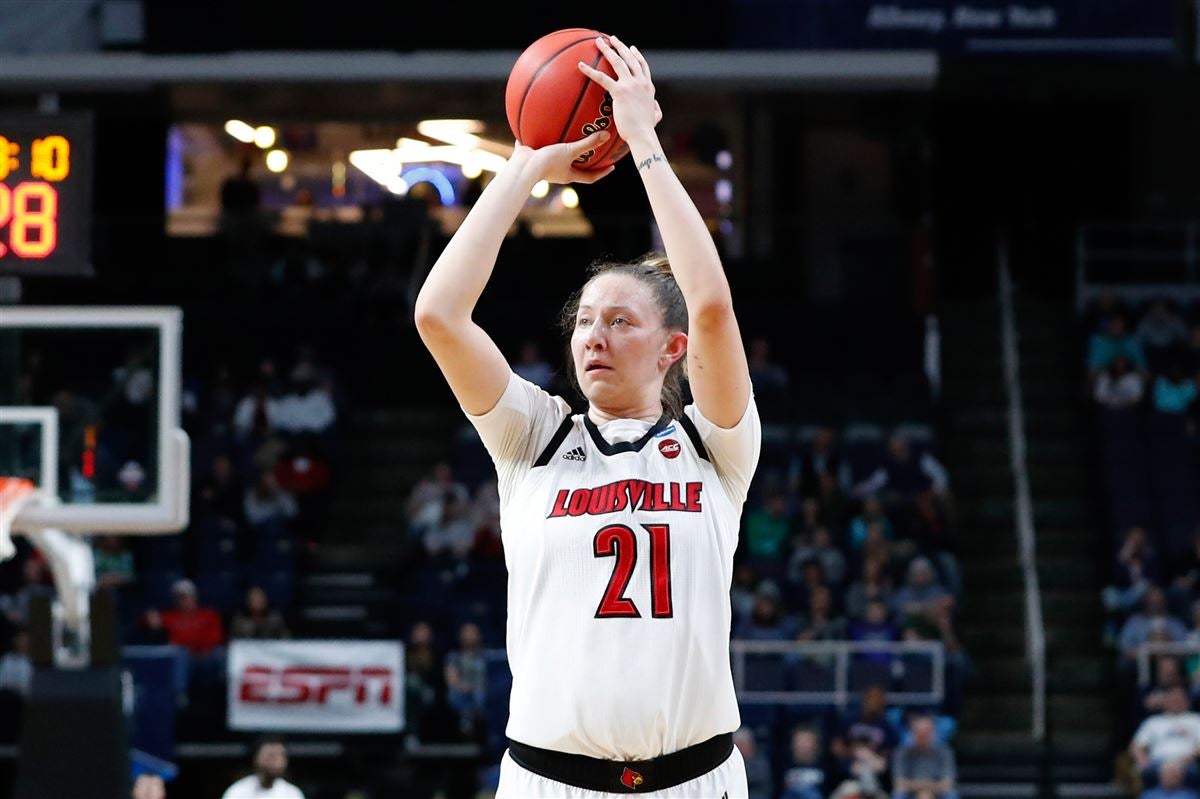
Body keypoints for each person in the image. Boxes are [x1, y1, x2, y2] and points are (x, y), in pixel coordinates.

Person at [415, 34, 759, 798]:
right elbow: (439, 314)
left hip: (693, 779)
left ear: (673, 349)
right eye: (584, 322)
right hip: (548, 781)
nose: (594, 336)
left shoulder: (713, 444)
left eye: (620, 322)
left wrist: (645, 142)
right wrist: (527, 163)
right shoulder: (533, 436)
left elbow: (710, 304)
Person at [1130, 686, 1200, 790]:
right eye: (1172, 699)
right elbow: (1136, 745)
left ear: (1187, 701)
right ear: (1165, 701)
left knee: (1190, 772)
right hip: (1157, 763)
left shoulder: (1195, 719)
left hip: (1187, 763)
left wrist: (1184, 760)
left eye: (1179, 699)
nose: (1176, 702)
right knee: (1148, 771)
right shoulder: (1153, 721)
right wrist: (1143, 761)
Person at [892, 714, 957, 799]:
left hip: (938, 793)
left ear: (933, 733)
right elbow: (898, 783)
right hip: (910, 793)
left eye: (926, 734)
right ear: (912, 733)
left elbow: (948, 783)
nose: (923, 737)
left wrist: (924, 789)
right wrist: (924, 789)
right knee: (898, 795)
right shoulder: (902, 752)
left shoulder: (944, 752)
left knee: (951, 795)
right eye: (920, 734)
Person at [221, 736, 305, 799]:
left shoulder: (292, 794)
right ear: (256, 758)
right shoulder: (238, 792)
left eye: (281, 755)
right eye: (270, 756)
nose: (276, 761)